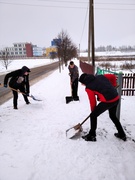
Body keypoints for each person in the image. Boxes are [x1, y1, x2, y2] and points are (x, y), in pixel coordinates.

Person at [79, 73, 126, 142]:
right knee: (113, 116)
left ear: (84, 81)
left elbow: (92, 101)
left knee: (93, 116)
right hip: (116, 98)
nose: (82, 85)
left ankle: (92, 135)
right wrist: (114, 85)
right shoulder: (100, 76)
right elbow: (112, 76)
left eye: (82, 83)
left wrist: (93, 112)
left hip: (108, 101)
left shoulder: (89, 87)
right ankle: (122, 134)